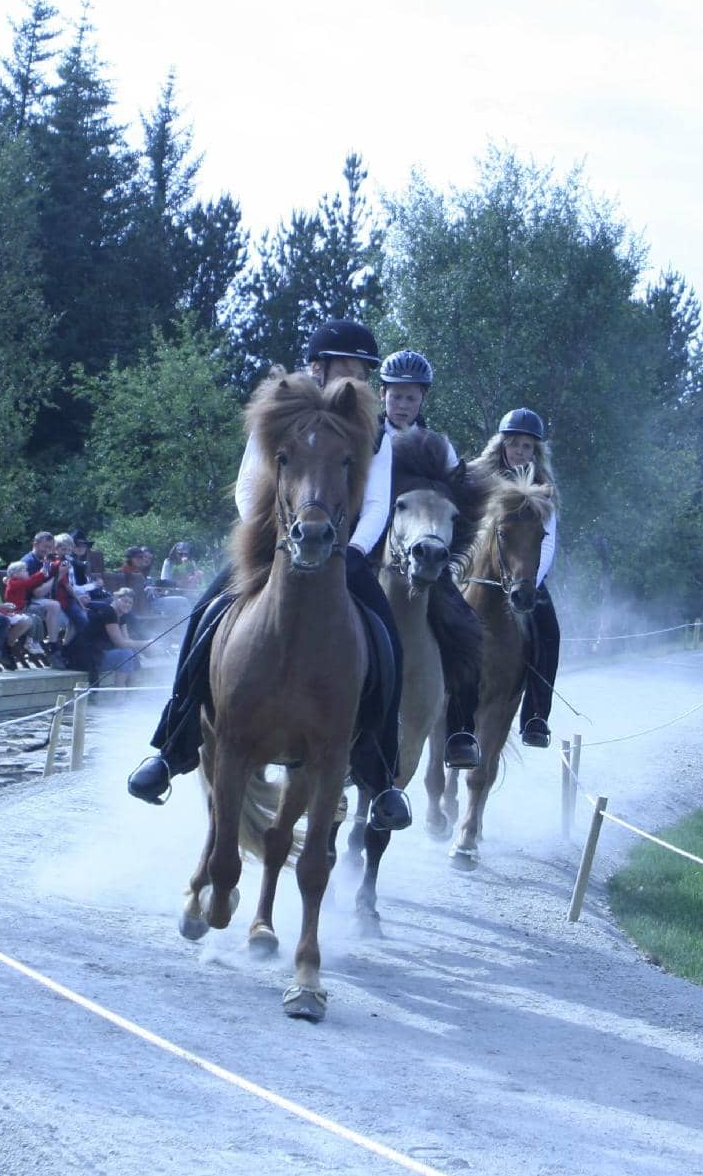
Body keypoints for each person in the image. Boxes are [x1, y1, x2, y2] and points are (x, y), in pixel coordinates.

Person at [127, 318, 413, 832]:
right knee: (205, 614)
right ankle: (172, 744)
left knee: (388, 638)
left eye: (364, 370)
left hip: (341, 551)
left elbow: (377, 502)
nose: (357, 378)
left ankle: (381, 771)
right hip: (273, 543)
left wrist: (352, 549)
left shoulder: (373, 432)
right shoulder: (280, 413)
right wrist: (273, 532)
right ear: (319, 367)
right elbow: (246, 485)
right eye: (349, 367)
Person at [380, 348, 483, 768]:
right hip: (369, 545)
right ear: (383, 395)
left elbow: (459, 497)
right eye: (396, 395)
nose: (403, 404)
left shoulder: (440, 446)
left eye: (411, 397)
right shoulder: (368, 438)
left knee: (466, 627)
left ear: (423, 399)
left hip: (424, 549)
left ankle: (459, 732)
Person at [471, 408, 562, 748]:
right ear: (502, 445)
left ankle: (536, 716)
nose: (520, 452)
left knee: (549, 631)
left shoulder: (543, 490)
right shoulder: (479, 478)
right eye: (514, 444)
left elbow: (547, 541)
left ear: (535, 451)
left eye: (527, 446)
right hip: (477, 571)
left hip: (525, 575)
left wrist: (529, 582)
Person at [69, 588, 145, 686]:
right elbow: (120, 642)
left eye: (130, 603)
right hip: (85, 658)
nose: (127, 605)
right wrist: (145, 644)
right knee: (126, 654)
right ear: (115, 598)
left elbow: (126, 641)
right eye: (124, 601)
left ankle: (132, 690)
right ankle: (120, 692)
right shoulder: (108, 612)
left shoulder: (122, 615)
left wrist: (141, 646)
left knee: (132, 653)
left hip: (98, 654)